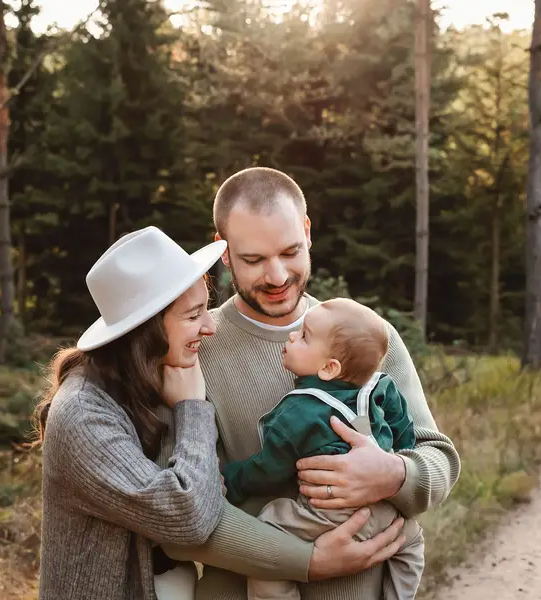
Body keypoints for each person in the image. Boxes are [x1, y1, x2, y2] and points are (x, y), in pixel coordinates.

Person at [160, 167, 461, 600]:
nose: (278, 276)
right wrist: (306, 562)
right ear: (222, 252)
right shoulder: (194, 350)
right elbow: (177, 519)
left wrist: (394, 474)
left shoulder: (366, 336)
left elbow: (440, 459)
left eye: (289, 251)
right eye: (254, 260)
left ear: (307, 231)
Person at [33, 226, 228, 600]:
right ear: (147, 331)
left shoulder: (143, 384)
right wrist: (193, 410)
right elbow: (190, 517)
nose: (210, 326)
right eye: (193, 316)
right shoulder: (83, 417)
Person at [221, 297, 424, 600]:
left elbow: (268, 469)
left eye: (303, 336)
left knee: (269, 533)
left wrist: (232, 480)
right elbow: (404, 426)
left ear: (329, 368)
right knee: (411, 541)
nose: (291, 336)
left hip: (332, 514)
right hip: (386, 509)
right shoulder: (378, 386)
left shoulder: (298, 413)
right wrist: (397, 459)